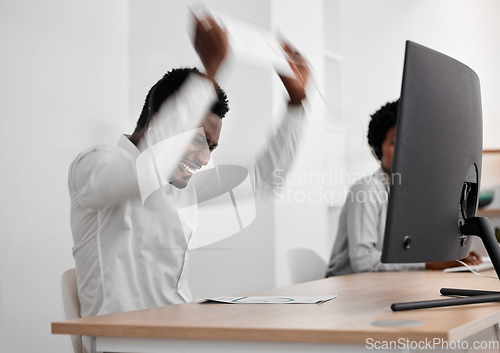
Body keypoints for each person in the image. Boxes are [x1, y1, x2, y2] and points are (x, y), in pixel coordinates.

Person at [69, 14, 310, 353]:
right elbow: (146, 173)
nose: (204, 158)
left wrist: (297, 104)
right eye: (199, 141)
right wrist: (209, 74)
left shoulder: (180, 187)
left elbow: (264, 179)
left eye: (211, 148)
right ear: (163, 118)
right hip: (121, 344)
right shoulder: (95, 166)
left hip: (177, 336)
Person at [325, 100, 481, 277]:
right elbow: (363, 261)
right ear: (377, 150)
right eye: (394, 142)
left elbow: (410, 250)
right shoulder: (366, 190)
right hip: (346, 287)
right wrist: (430, 263)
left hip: (386, 283)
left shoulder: (410, 193)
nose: (405, 149)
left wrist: (452, 257)